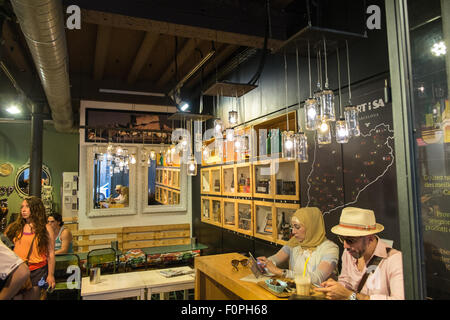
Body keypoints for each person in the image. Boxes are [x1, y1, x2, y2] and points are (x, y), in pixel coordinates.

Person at [315, 207, 404, 300]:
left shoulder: (394, 260)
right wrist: (335, 288)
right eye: (342, 239)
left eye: (350, 240)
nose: (345, 246)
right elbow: (345, 282)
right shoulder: (349, 253)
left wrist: (351, 296)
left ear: (370, 238)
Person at [257, 207, 339, 285]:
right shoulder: (294, 242)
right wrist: (266, 263)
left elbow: (317, 278)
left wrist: (281, 272)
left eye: (297, 227)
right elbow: (277, 258)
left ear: (311, 227)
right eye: (292, 227)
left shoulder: (330, 249)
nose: (293, 231)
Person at [5, 196, 55, 299]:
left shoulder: (46, 228)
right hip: (18, 270)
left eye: (27, 207)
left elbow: (50, 253)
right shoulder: (14, 227)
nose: (23, 210)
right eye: (22, 207)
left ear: (36, 208)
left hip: (37, 270)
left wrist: (51, 275)